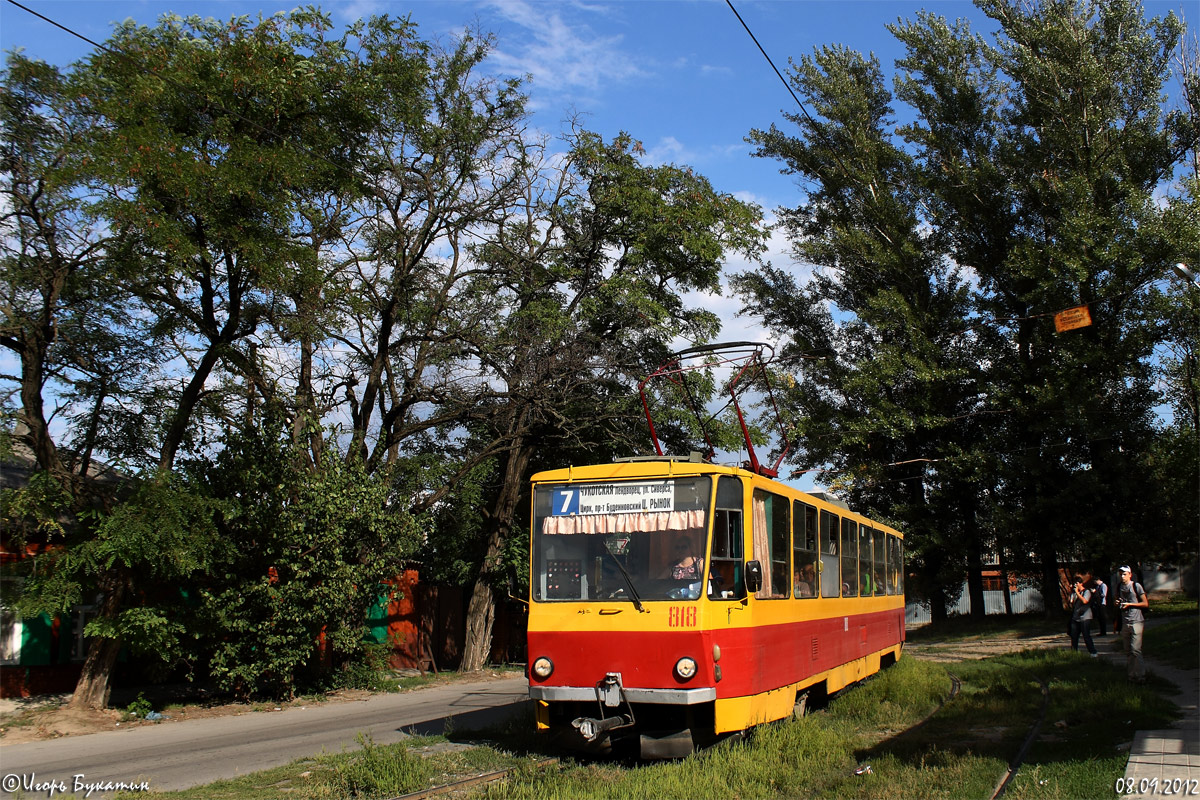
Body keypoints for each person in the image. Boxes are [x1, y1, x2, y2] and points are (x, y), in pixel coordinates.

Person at [1115, 565, 1148, 683]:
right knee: (1128, 651)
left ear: (1130, 574)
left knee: (1136, 650)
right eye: (1121, 574)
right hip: (1125, 621)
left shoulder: (1136, 586)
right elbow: (1117, 601)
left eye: (1124, 574)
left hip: (1137, 621)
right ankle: (1131, 676)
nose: (1122, 576)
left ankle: (1141, 676)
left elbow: (1145, 603)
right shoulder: (1119, 587)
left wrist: (1131, 604)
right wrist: (1118, 602)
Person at [1068, 574, 1097, 656]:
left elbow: (1085, 601)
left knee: (1086, 635)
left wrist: (1077, 592)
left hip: (1085, 617)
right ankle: (1074, 652)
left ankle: (1093, 652)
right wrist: (1071, 592)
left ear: (1080, 583)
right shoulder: (1075, 593)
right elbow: (1070, 602)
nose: (1075, 585)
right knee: (1074, 636)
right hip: (1075, 617)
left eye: (1077, 583)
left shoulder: (1086, 591)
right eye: (1074, 584)